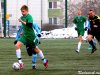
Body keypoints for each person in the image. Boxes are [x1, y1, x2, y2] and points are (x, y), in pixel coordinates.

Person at [15, 5, 48, 69]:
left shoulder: (29, 17)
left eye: (23, 11)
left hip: (31, 37)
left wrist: (21, 21)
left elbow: (30, 25)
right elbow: (24, 27)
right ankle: (20, 63)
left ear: (27, 11)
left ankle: (44, 60)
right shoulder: (22, 17)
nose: (22, 13)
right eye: (21, 11)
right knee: (17, 45)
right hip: (25, 36)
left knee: (35, 49)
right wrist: (21, 33)